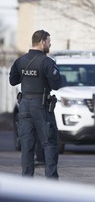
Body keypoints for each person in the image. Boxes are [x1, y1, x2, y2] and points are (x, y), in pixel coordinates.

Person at [9, 30, 61, 178]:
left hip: (24, 105)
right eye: (49, 41)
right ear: (42, 42)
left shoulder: (20, 61)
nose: (50, 44)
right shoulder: (47, 62)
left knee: (27, 146)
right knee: (49, 143)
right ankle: (51, 180)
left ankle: (27, 181)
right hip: (42, 106)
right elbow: (56, 85)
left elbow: (13, 81)